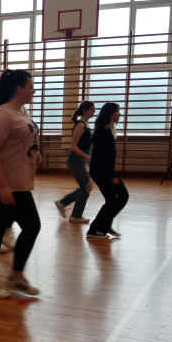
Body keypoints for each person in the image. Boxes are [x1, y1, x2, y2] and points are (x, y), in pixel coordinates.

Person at [0, 69, 42, 299]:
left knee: (32, 226)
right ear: (19, 89)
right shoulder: (3, 116)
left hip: (17, 183)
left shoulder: (22, 111)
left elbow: (23, 138)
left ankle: (16, 276)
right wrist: (2, 187)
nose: (33, 90)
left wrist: (34, 152)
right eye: (30, 86)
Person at [86, 103, 128, 240]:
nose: (119, 114)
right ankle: (96, 229)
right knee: (121, 197)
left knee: (114, 199)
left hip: (104, 170)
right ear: (110, 113)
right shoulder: (103, 132)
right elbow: (100, 158)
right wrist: (111, 175)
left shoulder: (108, 130)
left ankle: (104, 224)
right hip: (101, 171)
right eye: (117, 111)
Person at [55, 101, 95, 223]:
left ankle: (63, 203)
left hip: (81, 158)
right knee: (86, 187)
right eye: (92, 109)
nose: (94, 111)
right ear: (84, 110)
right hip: (76, 159)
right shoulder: (80, 125)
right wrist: (85, 156)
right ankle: (75, 216)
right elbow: (73, 146)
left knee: (87, 187)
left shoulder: (87, 125)